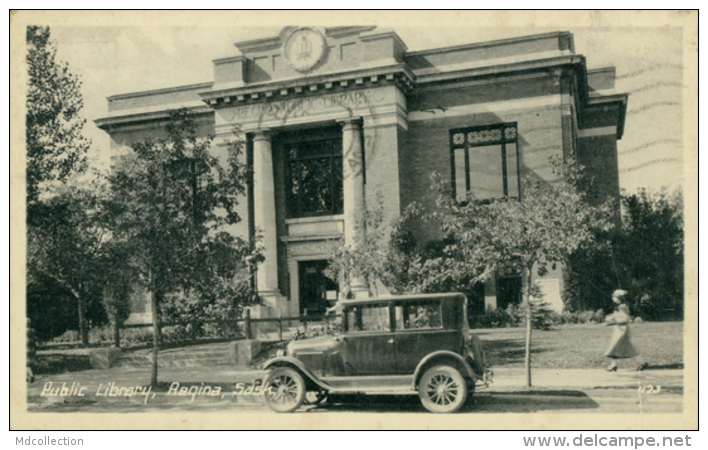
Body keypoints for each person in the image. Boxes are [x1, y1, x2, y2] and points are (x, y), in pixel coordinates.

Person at [603, 289, 646, 371]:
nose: (613, 298)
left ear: (619, 298)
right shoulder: (620, 306)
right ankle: (614, 365)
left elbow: (624, 319)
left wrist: (613, 321)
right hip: (619, 330)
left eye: (614, 297)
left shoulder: (622, 306)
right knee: (617, 348)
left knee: (617, 347)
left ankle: (641, 363)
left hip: (622, 331)